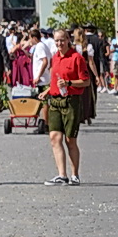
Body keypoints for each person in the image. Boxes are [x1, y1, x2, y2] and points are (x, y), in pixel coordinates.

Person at [42, 28, 91, 186]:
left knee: (70, 140)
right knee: (55, 137)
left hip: (71, 101)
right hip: (55, 101)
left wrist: (69, 83)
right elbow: (56, 80)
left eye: (62, 40)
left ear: (68, 40)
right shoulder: (55, 58)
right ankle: (61, 174)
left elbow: (86, 81)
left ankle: (75, 174)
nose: (59, 43)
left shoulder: (77, 58)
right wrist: (48, 91)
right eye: (56, 41)